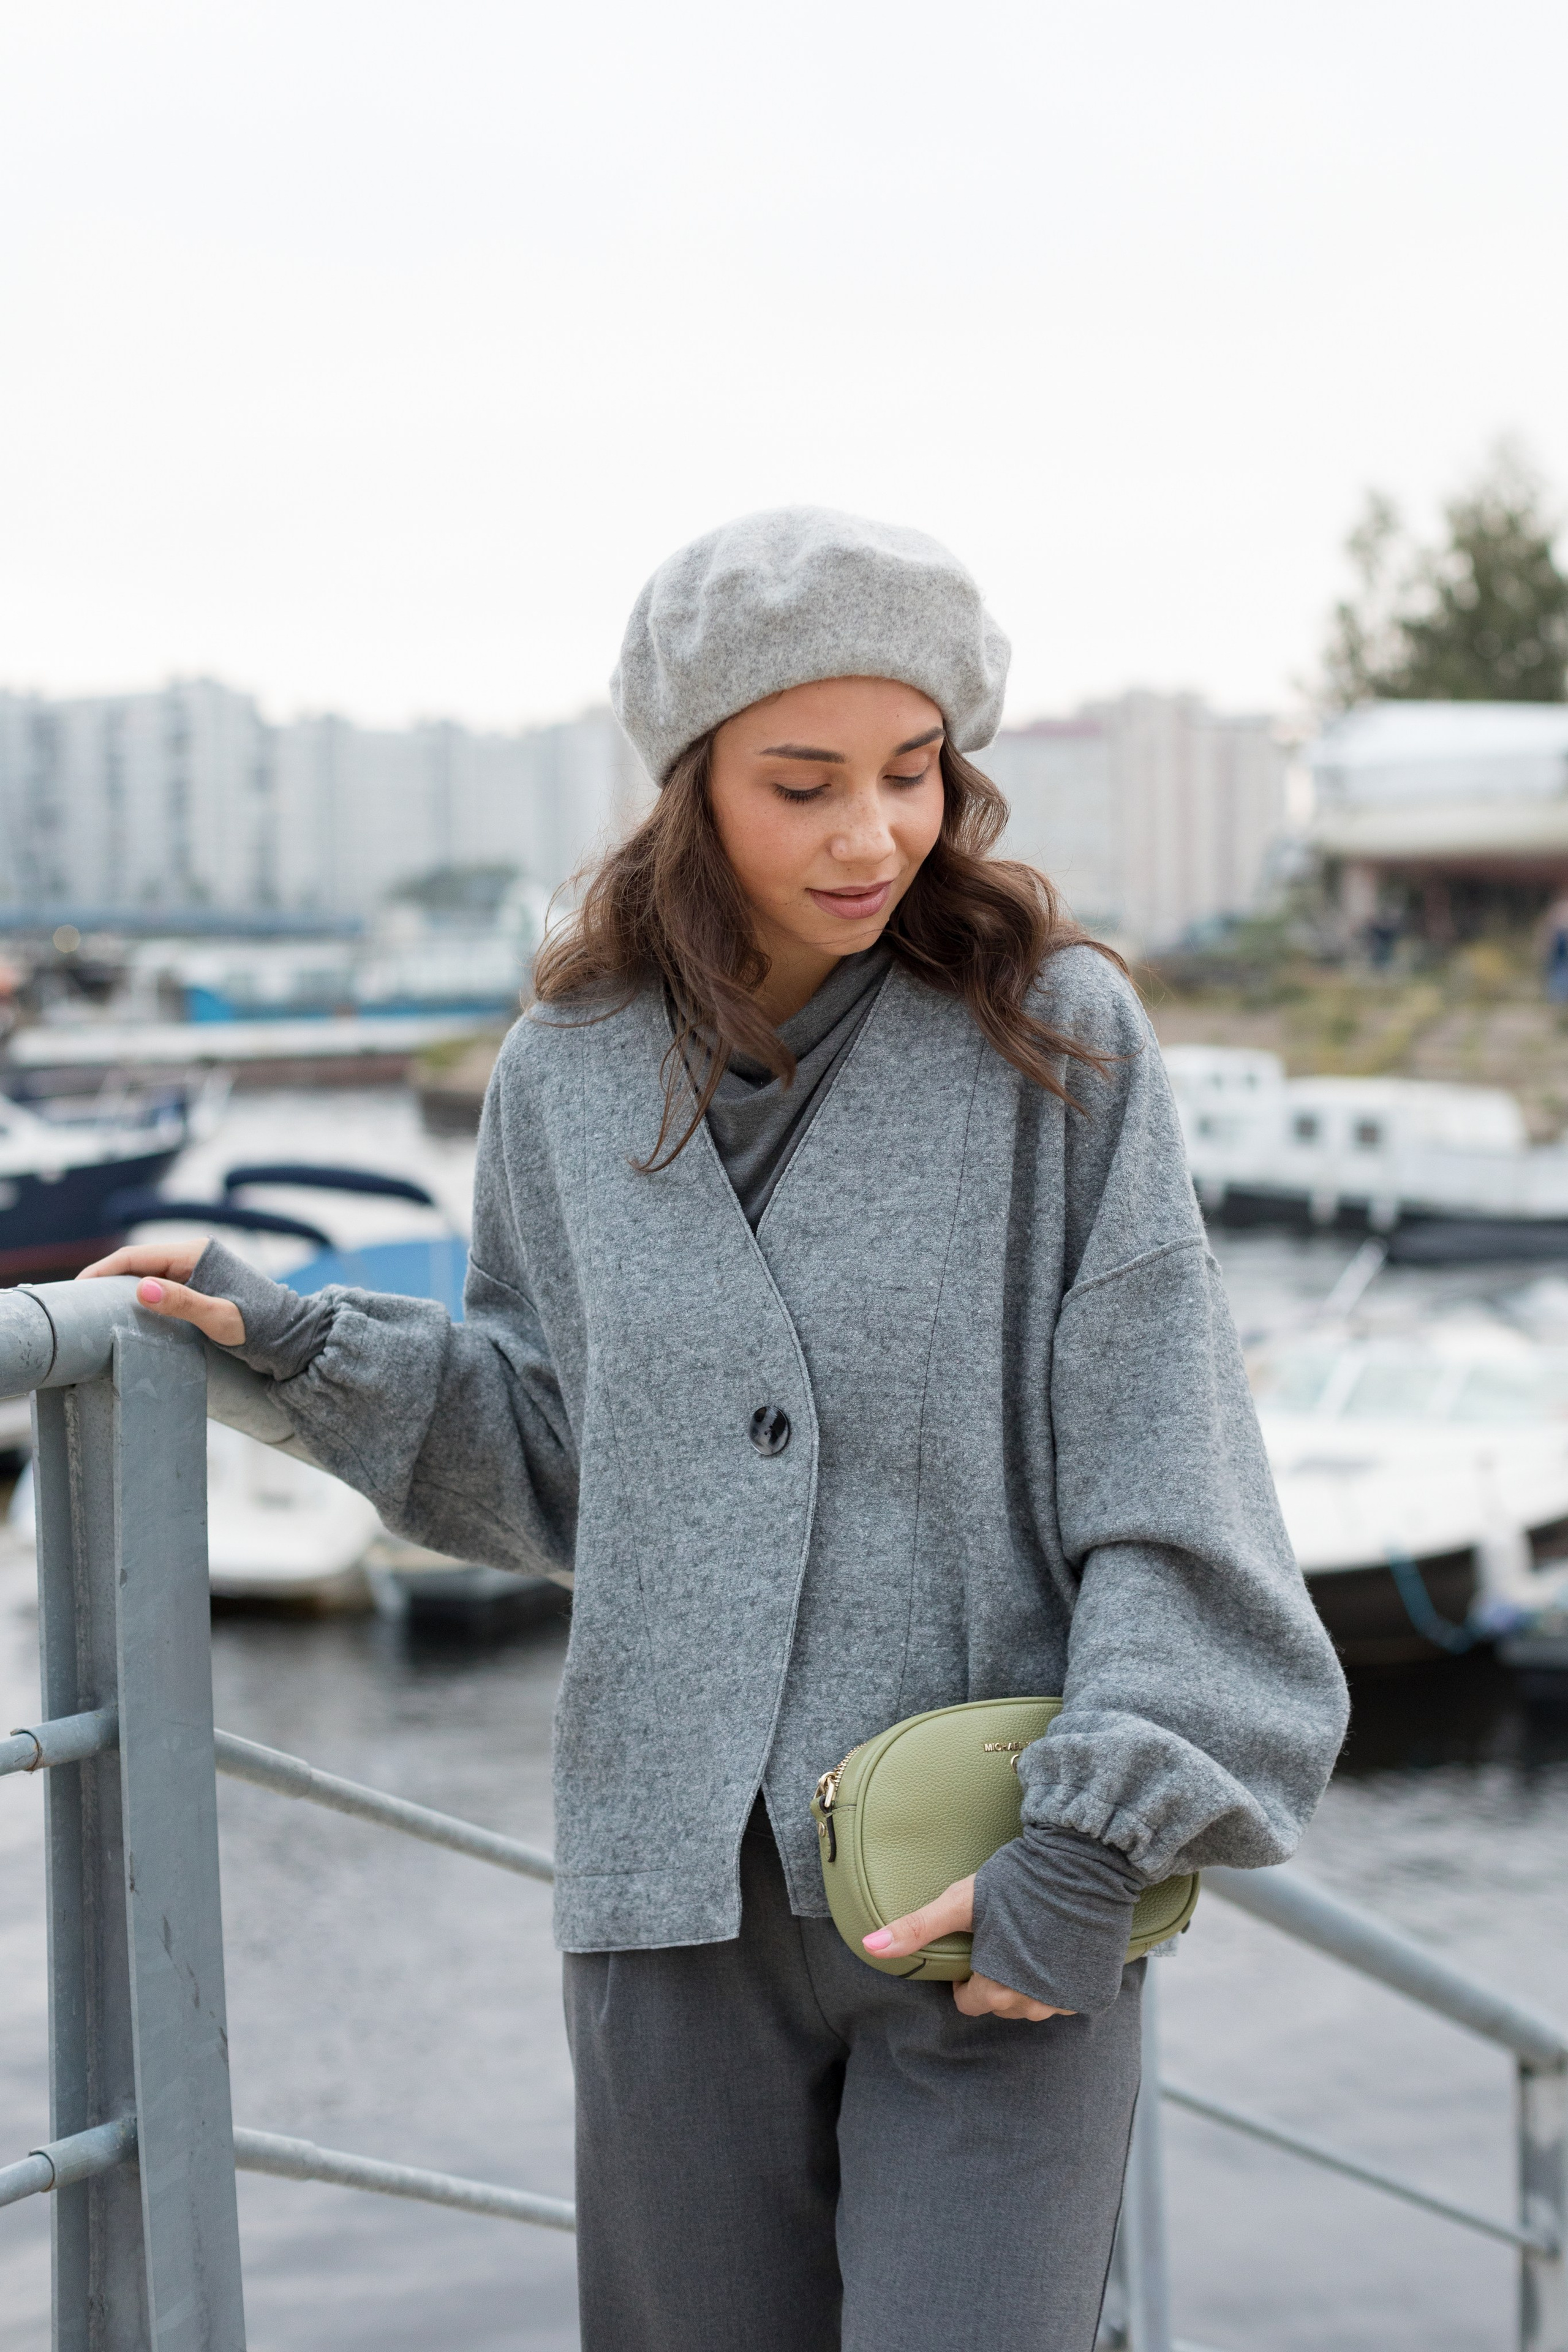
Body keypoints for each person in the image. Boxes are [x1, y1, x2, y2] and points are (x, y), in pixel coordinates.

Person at [85, 508, 1348, 2352]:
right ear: (693, 788)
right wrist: (293, 1340)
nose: (872, 835)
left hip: (992, 1876)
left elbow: (1173, 1478)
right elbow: (555, 1459)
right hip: (668, 1920)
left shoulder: (1053, 1043)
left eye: (912, 773)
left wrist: (1090, 1850)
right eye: (804, 783)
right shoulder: (567, 1071)